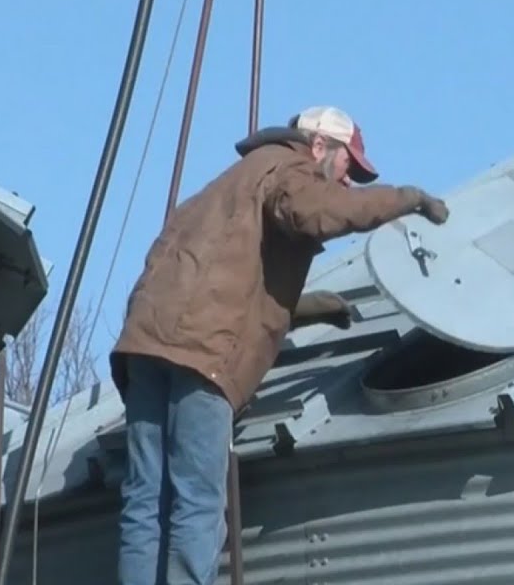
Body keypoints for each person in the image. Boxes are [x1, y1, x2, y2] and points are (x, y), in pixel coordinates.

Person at [108, 105, 449, 585]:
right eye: (346, 167)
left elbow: (218, 278)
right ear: (318, 146)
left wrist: (305, 308)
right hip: (202, 353)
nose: (345, 182)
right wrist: (407, 199)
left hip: (146, 344)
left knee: (145, 498)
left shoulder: (234, 181)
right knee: (197, 499)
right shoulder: (291, 168)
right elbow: (317, 213)